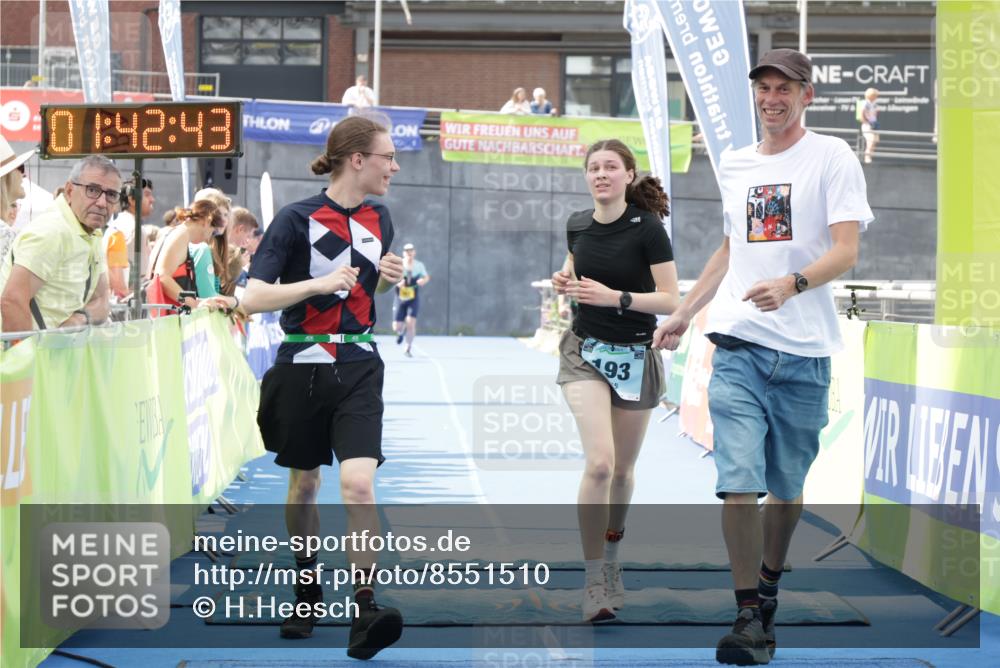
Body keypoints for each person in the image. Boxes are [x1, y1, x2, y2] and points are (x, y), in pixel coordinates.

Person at [652, 49, 872, 666]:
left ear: (807, 96)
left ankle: (769, 586)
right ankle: (747, 610)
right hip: (738, 342)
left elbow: (846, 249)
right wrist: (686, 312)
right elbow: (730, 248)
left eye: (785, 88)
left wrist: (793, 284)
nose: (772, 97)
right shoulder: (736, 161)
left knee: (787, 490)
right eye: (764, 88)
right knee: (737, 482)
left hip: (805, 353)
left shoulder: (832, 156)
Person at [241, 115, 406, 658]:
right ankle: (307, 585)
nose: (394, 166)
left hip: (359, 362)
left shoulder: (381, 216)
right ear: (357, 159)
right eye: (388, 156)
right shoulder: (294, 219)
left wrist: (387, 276)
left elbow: (365, 289)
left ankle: (365, 609)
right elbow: (252, 297)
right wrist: (318, 283)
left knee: (359, 485)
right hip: (302, 364)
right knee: (304, 487)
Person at [550, 139, 679, 623]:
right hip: (584, 352)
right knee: (600, 464)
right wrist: (564, 280)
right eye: (593, 168)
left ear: (628, 175)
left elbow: (671, 300)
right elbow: (572, 269)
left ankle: (611, 556)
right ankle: (592, 582)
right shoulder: (577, 223)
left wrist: (616, 298)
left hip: (634, 356)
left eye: (610, 167)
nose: (600, 174)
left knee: (623, 471)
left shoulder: (648, 230)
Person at [0, 155, 118, 332]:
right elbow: (13, 301)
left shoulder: (92, 232)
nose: (102, 203)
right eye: (92, 190)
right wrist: (25, 355)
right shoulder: (52, 231)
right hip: (33, 356)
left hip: (57, 355)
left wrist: (80, 319)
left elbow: (102, 301)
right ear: (70, 191)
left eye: (111, 194)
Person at [147, 200, 234, 314]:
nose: (209, 238)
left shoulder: (174, 233)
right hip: (163, 320)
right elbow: (162, 277)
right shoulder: (180, 235)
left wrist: (195, 302)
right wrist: (194, 303)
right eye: (212, 233)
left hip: (161, 317)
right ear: (207, 221)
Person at [105, 177, 155, 301]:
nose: (152, 200)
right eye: (147, 195)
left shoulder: (124, 225)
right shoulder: (129, 228)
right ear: (132, 200)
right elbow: (118, 284)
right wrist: (126, 298)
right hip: (126, 309)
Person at [392, 242, 429, 357]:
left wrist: (422, 281)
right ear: (403, 253)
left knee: (411, 323)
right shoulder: (399, 265)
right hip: (400, 298)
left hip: (413, 298)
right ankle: (400, 331)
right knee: (396, 327)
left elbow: (426, 277)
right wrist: (398, 283)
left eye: (411, 251)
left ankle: (408, 348)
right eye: (407, 251)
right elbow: (391, 279)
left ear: (414, 252)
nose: (409, 253)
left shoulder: (419, 265)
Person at [860, 87, 880, 164]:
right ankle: (867, 157)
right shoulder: (865, 103)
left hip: (873, 124)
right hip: (867, 125)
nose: (876, 97)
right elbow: (862, 114)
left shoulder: (874, 104)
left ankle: (869, 156)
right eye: (875, 95)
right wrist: (866, 122)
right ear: (871, 96)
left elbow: (875, 114)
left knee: (875, 140)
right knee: (870, 140)